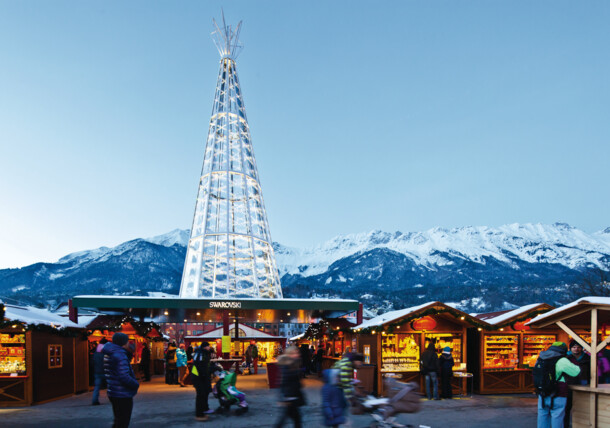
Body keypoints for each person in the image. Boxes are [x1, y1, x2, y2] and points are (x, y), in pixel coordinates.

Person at [536, 341, 580, 428]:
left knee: (542, 415)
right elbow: (576, 372)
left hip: (543, 392)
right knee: (557, 416)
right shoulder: (562, 360)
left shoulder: (541, 358)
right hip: (558, 392)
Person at [103, 333, 139, 428]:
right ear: (123, 342)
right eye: (127, 341)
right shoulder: (120, 355)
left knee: (118, 420)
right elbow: (123, 376)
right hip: (122, 393)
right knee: (123, 421)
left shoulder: (110, 353)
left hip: (114, 391)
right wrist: (135, 384)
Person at [274, 346, 305, 428]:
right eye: (294, 353)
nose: (296, 354)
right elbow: (284, 382)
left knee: (293, 419)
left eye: (297, 352)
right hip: (290, 398)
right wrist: (285, 398)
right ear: (289, 355)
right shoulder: (288, 366)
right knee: (293, 419)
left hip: (292, 397)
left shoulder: (293, 364)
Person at [333, 352, 364, 428]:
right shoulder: (347, 364)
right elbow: (345, 383)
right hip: (335, 388)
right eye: (360, 362)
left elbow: (344, 379)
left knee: (339, 409)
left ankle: (337, 424)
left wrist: (350, 381)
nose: (360, 364)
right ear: (355, 361)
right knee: (341, 407)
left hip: (335, 386)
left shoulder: (347, 362)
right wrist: (351, 398)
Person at [564, 340, 590, 428]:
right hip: (569, 385)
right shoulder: (566, 358)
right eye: (574, 347)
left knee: (583, 407)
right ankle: (565, 425)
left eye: (578, 347)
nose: (576, 349)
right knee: (567, 407)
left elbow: (591, 371)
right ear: (570, 348)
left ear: (581, 348)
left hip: (583, 383)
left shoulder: (587, 358)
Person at [192, 341, 215, 422]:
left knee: (205, 393)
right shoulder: (201, 354)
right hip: (199, 378)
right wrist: (205, 374)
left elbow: (205, 365)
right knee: (201, 395)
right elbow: (201, 366)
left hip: (202, 377)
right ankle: (199, 413)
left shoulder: (203, 353)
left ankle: (204, 409)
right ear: (205, 347)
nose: (209, 347)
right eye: (208, 346)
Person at [92, 338, 108, 405]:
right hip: (105, 372)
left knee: (97, 387)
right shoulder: (106, 352)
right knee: (111, 386)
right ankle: (113, 398)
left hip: (97, 371)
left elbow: (92, 362)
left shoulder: (96, 353)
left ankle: (95, 400)